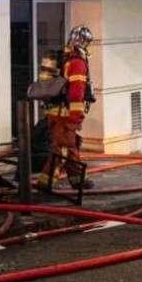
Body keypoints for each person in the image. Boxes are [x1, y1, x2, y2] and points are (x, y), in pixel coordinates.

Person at [35, 26, 94, 191]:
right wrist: (76, 118)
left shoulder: (61, 58)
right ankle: (45, 183)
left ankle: (77, 180)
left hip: (54, 112)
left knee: (70, 145)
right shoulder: (77, 63)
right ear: (83, 42)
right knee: (61, 150)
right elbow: (76, 93)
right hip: (66, 114)